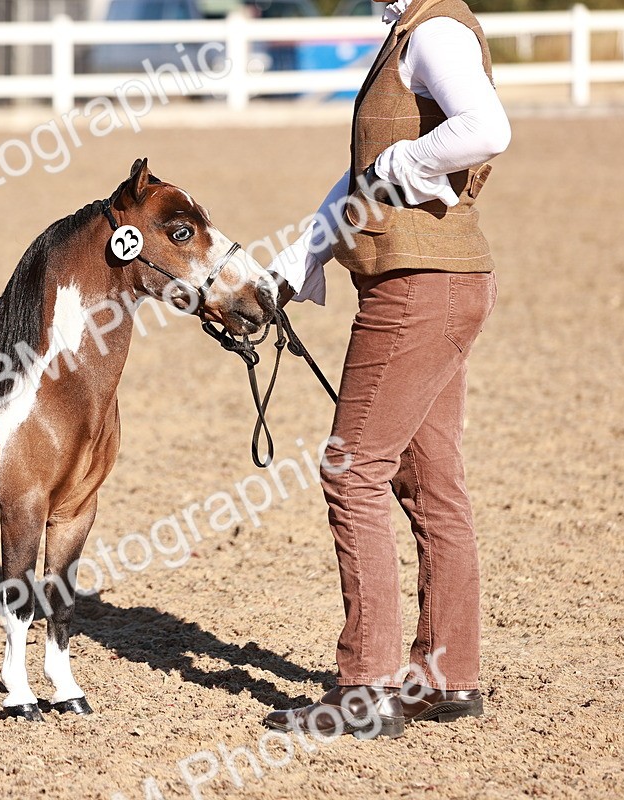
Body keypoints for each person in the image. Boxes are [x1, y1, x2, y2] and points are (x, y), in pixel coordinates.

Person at [262, 0, 511, 740]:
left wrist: (404, 163)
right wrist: (294, 264)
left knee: (352, 470)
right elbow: (359, 181)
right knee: (429, 477)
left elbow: (487, 129)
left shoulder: (432, 32)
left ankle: (366, 689)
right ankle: (447, 676)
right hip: (440, 280)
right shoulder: (409, 31)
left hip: (418, 285)